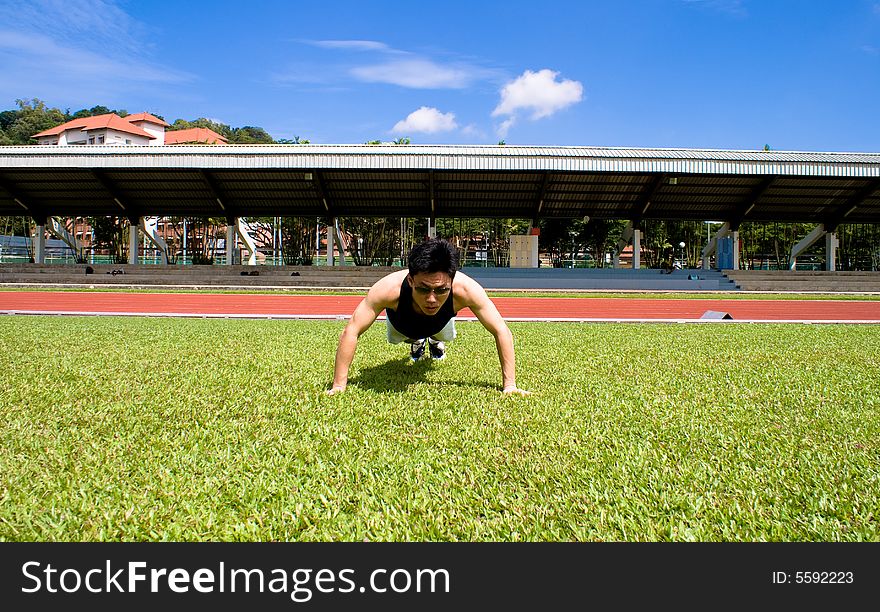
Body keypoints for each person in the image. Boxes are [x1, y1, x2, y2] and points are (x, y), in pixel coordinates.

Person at [327, 238, 530, 396]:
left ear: (452, 280)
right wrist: (338, 385)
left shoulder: (467, 289)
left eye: (441, 290)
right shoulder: (389, 288)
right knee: (396, 339)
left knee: (444, 336)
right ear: (410, 279)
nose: (432, 299)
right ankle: (417, 340)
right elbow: (352, 330)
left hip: (440, 324)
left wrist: (510, 385)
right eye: (424, 289)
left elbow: (500, 330)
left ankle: (432, 339)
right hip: (401, 325)